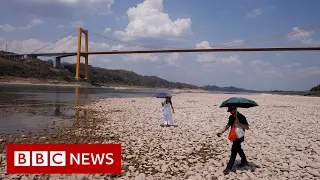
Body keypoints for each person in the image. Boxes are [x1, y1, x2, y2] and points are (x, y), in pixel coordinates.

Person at [217, 106, 249, 175]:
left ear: (235, 109)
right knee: (238, 148)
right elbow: (228, 125)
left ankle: (229, 168)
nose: (230, 112)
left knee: (234, 151)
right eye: (229, 111)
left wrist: (239, 123)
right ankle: (244, 161)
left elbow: (247, 127)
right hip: (234, 136)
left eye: (231, 110)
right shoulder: (231, 117)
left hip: (239, 137)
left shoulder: (241, 117)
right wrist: (222, 131)